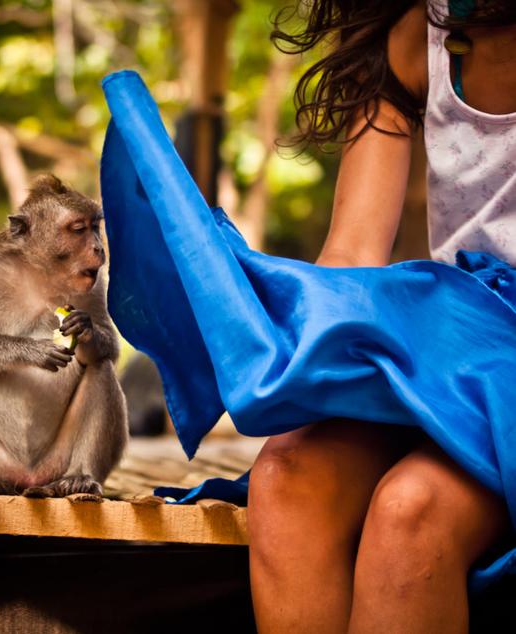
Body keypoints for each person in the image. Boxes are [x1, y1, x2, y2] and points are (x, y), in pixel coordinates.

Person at [247, 1, 516, 632]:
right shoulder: (414, 36)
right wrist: (265, 319)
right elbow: (352, 256)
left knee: (409, 513)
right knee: (285, 479)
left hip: (498, 377)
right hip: (456, 351)